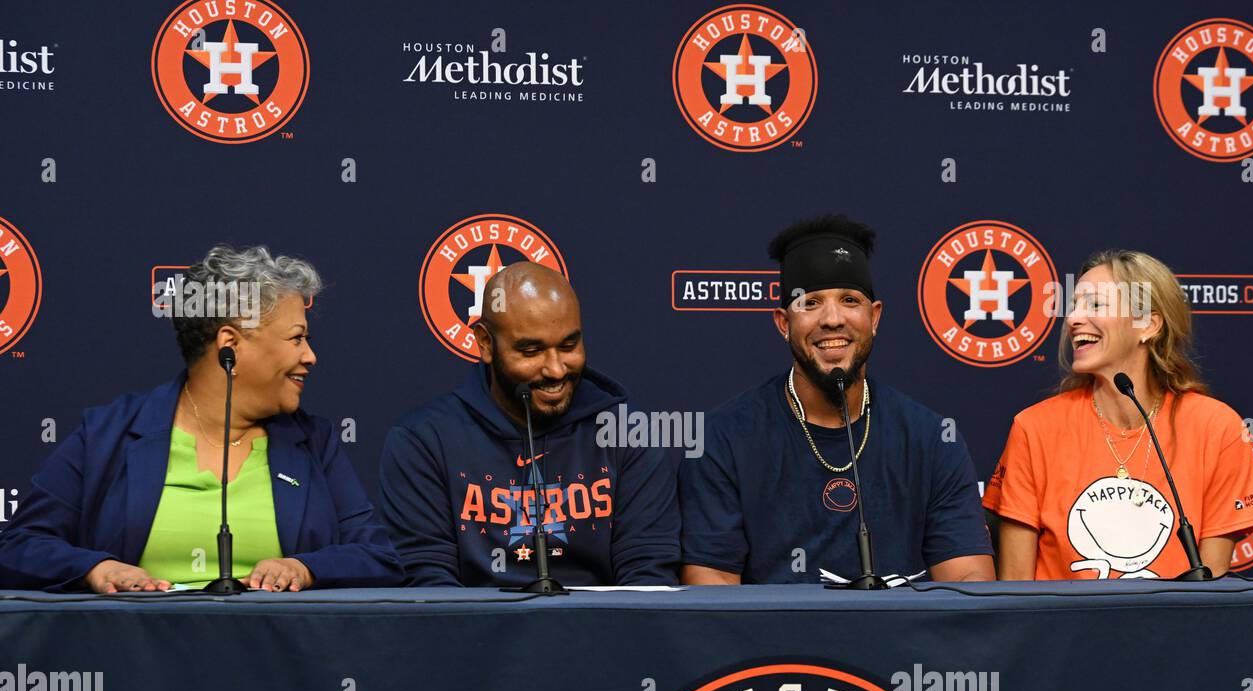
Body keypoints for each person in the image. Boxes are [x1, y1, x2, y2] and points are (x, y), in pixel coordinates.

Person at [0, 245, 402, 592]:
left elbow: (378, 557)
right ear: (230, 344)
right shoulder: (108, 434)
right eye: (296, 338)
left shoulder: (315, 441)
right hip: (134, 660)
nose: (309, 356)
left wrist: (305, 568)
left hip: (282, 662)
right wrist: (96, 569)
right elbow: (19, 546)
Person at [678, 214, 995, 584]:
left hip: (902, 640)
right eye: (810, 303)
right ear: (784, 323)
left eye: (849, 300)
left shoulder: (933, 439)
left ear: (874, 317)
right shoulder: (722, 439)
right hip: (775, 642)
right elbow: (711, 590)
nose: (832, 319)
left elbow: (969, 580)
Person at [379, 261, 679, 586]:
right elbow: (428, 583)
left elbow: (648, 578)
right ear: (485, 343)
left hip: (603, 632)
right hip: (472, 634)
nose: (555, 369)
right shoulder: (423, 441)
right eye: (531, 350)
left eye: (568, 346)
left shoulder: (629, 435)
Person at [984, 249, 1253, 579]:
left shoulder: (1216, 428)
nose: (1074, 318)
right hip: (1060, 631)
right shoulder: (1034, 428)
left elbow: (1210, 595)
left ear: (1147, 324)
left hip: (1172, 630)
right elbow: (1015, 593)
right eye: (1074, 305)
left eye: (1095, 304)